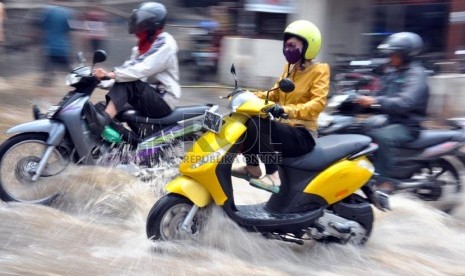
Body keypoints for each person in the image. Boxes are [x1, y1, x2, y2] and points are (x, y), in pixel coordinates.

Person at [232, 20, 330, 192]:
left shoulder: (320, 70)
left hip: (303, 134)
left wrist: (285, 110)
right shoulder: (289, 69)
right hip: (286, 129)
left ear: (308, 46)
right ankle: (252, 167)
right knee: (248, 118)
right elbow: (274, 93)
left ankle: (273, 174)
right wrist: (247, 94)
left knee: (258, 123)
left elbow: (318, 103)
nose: (287, 49)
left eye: (292, 45)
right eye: (286, 45)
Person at [85, 2, 180, 135]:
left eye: (142, 19)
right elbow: (127, 69)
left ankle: (103, 121)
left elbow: (143, 68)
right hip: (145, 96)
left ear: (152, 22)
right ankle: (122, 145)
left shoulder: (165, 44)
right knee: (99, 108)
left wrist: (112, 74)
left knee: (128, 82)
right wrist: (99, 79)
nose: (138, 23)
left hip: (163, 100)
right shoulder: (141, 47)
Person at [355, 32, 429, 193]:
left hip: (408, 125)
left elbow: (405, 102)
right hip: (392, 119)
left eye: (393, 54)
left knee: (383, 136)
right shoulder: (394, 71)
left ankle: (384, 181)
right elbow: (382, 94)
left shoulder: (416, 74)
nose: (390, 57)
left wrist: (376, 101)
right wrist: (363, 99)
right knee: (361, 128)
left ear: (406, 54)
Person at [36, 0, 75, 87]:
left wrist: (41, 45)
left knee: (47, 76)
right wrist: (71, 48)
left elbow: (42, 30)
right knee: (70, 74)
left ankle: (44, 97)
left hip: (49, 48)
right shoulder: (67, 12)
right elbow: (69, 31)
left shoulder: (47, 11)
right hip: (62, 48)